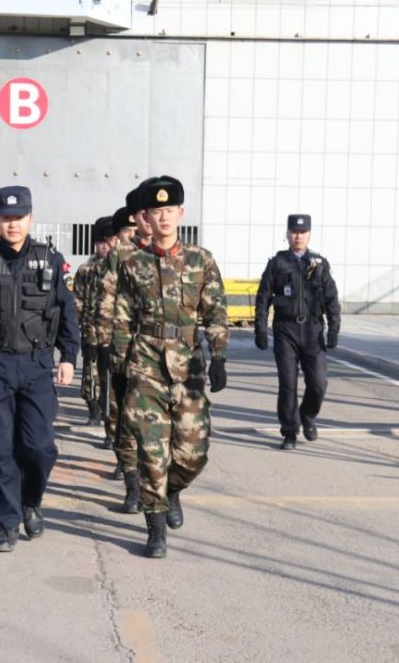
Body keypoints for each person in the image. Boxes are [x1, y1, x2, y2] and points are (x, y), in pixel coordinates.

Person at [0, 186, 79, 553]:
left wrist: (68, 356)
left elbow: (66, 310)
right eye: (6, 218)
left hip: (38, 364)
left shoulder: (50, 259)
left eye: (19, 217)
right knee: (0, 445)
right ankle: (8, 522)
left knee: (39, 446)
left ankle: (31, 501)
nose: (12, 224)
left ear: (30, 219)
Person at [112, 176, 229, 558]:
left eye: (169, 210)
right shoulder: (132, 262)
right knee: (151, 451)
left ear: (181, 213)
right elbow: (122, 317)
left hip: (188, 367)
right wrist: (119, 365)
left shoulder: (200, 259)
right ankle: (155, 526)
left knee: (192, 453)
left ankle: (174, 490)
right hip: (145, 365)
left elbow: (215, 310)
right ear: (146, 215)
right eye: (156, 211)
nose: (163, 217)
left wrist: (220, 355)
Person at [253, 214, 341, 450]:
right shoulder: (277, 263)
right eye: (294, 232)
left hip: (312, 330)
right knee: (288, 384)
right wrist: (260, 328)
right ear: (287, 234)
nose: (298, 236)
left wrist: (334, 328)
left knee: (319, 383)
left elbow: (332, 298)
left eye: (302, 232)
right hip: (286, 330)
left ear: (309, 234)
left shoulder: (320, 264)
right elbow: (263, 298)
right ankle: (290, 432)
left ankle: (308, 416)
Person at [93, 183, 155, 512]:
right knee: (119, 419)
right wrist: (105, 344)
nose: (133, 232)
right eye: (128, 228)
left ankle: (161, 489)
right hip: (120, 353)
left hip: (159, 357)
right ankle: (132, 484)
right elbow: (105, 304)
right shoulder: (116, 260)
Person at [75, 215, 114, 426]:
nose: (104, 246)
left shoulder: (120, 268)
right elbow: (78, 302)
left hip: (114, 336)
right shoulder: (85, 270)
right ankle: (93, 411)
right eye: (100, 242)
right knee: (89, 375)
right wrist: (79, 331)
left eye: (108, 242)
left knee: (110, 378)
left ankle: (110, 417)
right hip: (91, 333)